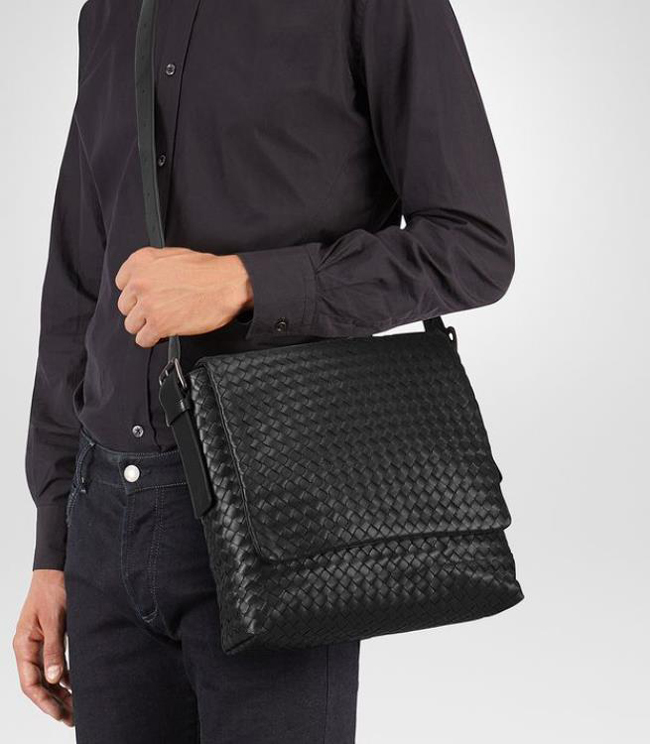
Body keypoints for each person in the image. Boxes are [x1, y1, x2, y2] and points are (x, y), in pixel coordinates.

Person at [13, 1, 514, 741]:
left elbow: (473, 246)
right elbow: (76, 288)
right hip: (102, 524)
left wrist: (246, 283)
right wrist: (52, 551)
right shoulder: (109, 13)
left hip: (279, 513)